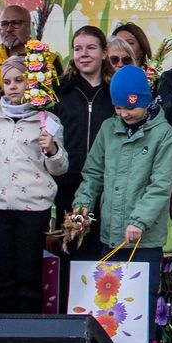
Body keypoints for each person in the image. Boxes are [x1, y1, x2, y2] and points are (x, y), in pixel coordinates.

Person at [71, 65, 172, 343]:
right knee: (110, 304)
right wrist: (82, 206)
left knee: (139, 303)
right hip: (111, 236)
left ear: (146, 101)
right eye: (118, 108)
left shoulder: (163, 134)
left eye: (131, 108)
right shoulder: (108, 129)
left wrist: (139, 221)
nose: (124, 114)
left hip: (144, 240)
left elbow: (160, 185)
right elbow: (93, 174)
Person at [0, 56, 68, 314]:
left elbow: (60, 168)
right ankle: (5, 335)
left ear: (33, 82)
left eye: (19, 80)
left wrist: (52, 150)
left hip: (33, 210)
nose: (13, 86)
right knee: (3, 276)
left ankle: (29, 334)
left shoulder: (47, 121)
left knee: (29, 275)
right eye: (7, 82)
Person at [53, 26, 115, 260]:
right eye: (78, 49)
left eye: (91, 48)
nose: (84, 54)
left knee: (101, 254)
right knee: (71, 252)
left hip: (105, 186)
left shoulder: (113, 92)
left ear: (104, 52)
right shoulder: (60, 91)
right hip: (68, 185)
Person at [0, 5, 32, 87]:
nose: (9, 29)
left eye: (16, 23)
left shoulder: (48, 60)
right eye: (4, 24)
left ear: (30, 26)